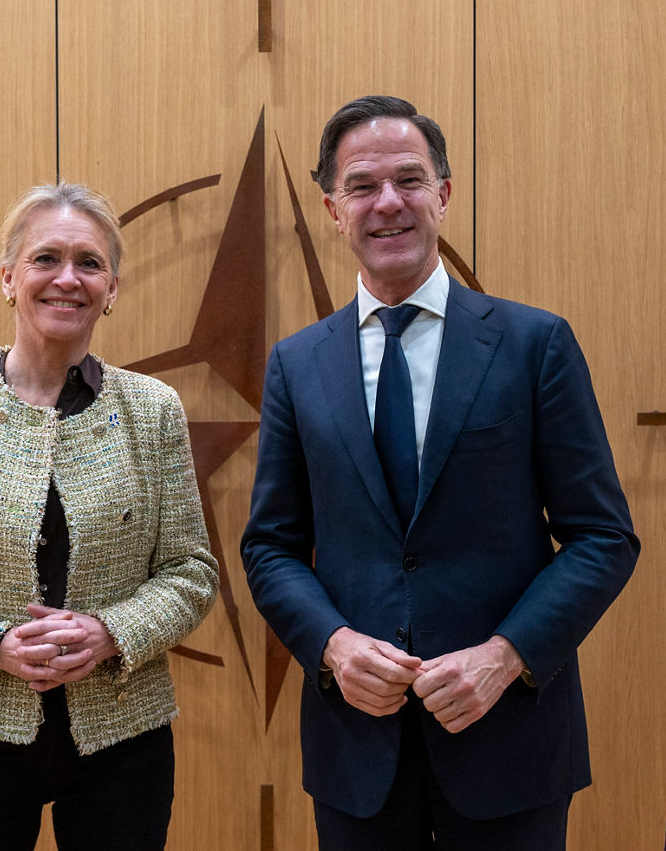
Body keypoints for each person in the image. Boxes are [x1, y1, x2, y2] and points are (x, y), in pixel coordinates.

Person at [241, 95, 639, 849]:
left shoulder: (535, 345)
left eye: (409, 180)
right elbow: (270, 546)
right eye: (361, 185)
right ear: (332, 209)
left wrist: (505, 657)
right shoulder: (297, 363)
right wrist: (332, 645)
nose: (387, 202)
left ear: (444, 195)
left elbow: (602, 537)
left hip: (508, 738)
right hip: (357, 750)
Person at [0, 182, 218, 851]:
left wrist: (110, 632)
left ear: (112, 288)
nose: (67, 279)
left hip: (123, 736)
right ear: (8, 278)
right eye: (45, 258)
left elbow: (190, 574)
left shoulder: (154, 409)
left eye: (89, 263)